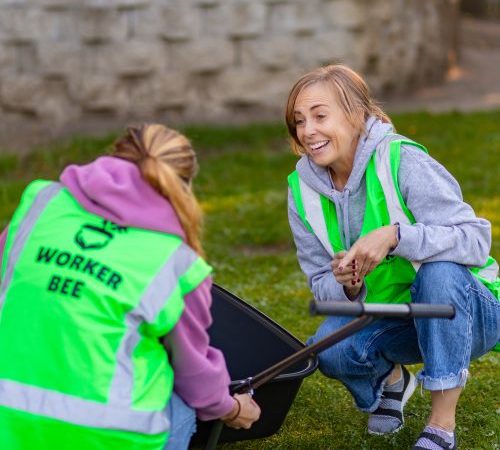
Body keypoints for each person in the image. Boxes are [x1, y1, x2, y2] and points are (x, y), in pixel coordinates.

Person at [0, 124, 261, 449]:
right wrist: (232, 407)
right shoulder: (178, 261)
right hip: (107, 434)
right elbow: (194, 376)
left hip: (7, 419)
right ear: (186, 186)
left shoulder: (41, 201)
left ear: (114, 155)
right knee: (181, 402)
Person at [285, 64, 500, 450]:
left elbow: (475, 240)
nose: (308, 131)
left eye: (320, 115)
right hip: (399, 318)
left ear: (356, 114)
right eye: (299, 121)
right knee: (330, 346)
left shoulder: (403, 160)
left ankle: (440, 426)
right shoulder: (301, 190)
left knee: (440, 272)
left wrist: (395, 236)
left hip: (468, 312)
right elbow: (320, 283)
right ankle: (393, 381)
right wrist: (348, 284)